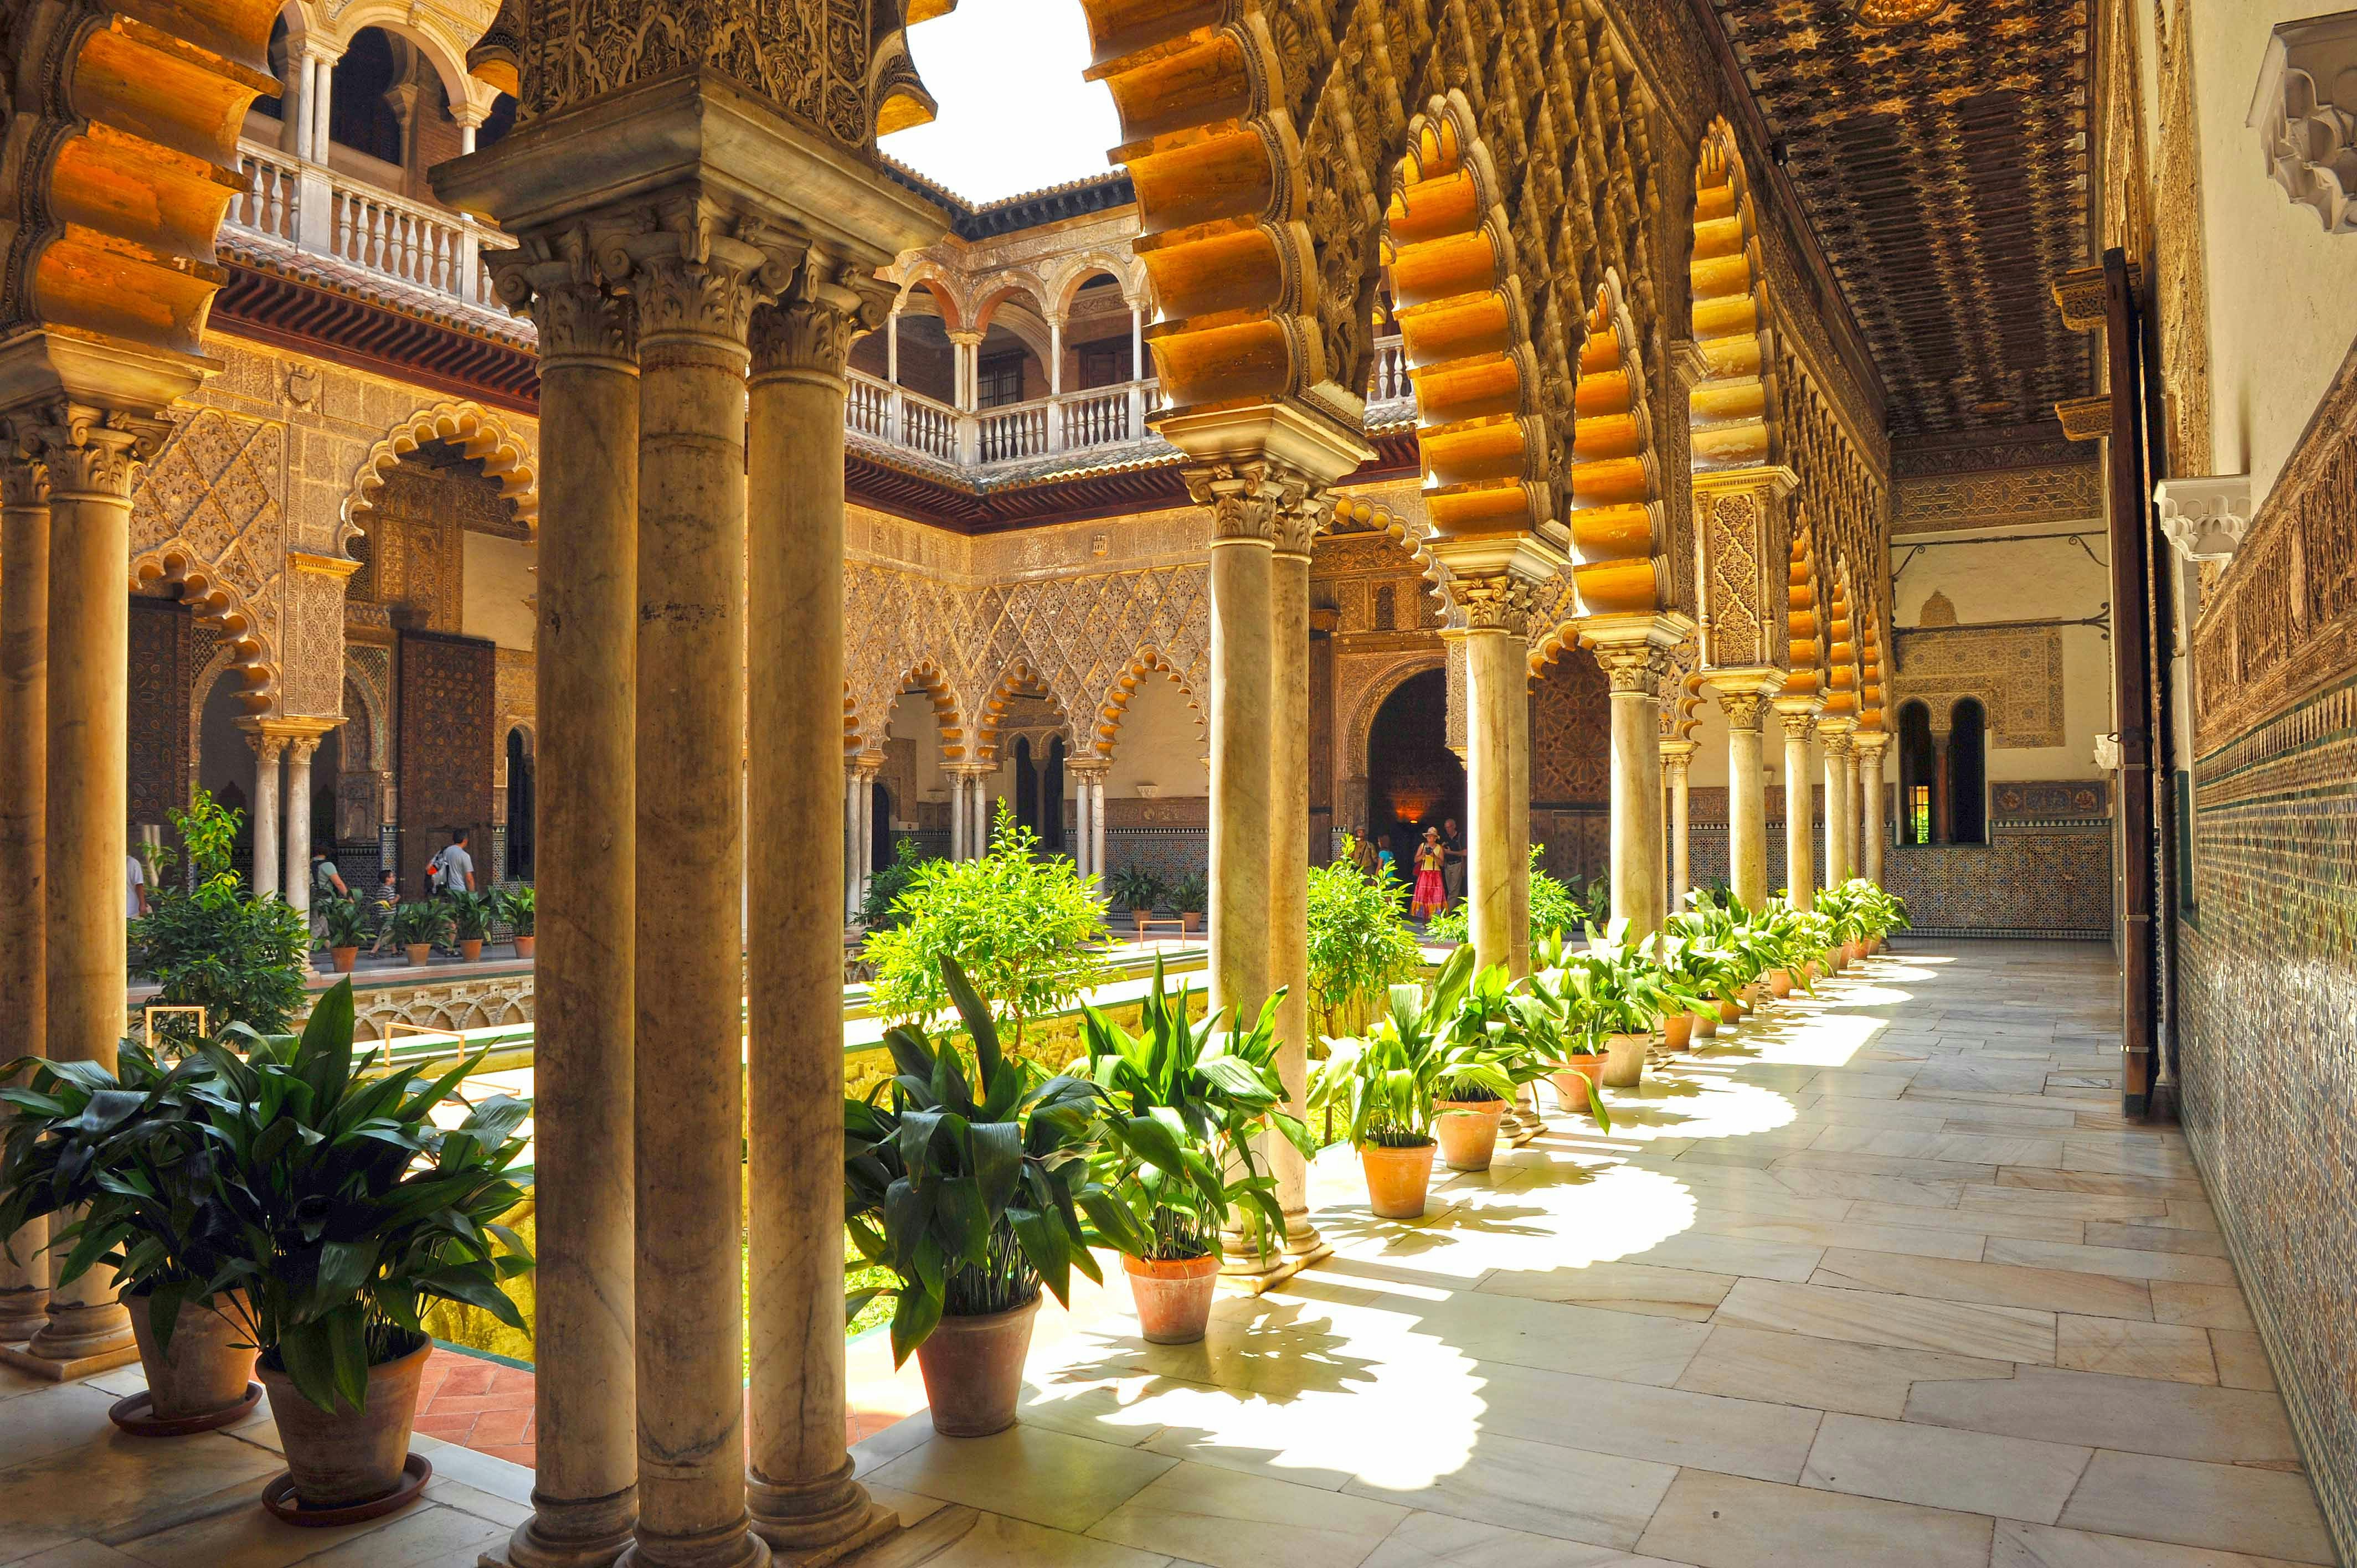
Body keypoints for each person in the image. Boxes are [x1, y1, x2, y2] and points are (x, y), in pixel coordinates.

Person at [310, 848, 348, 948]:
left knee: (324, 930)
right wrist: (349, 897)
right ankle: (303, 955)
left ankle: (333, 953)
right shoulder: (327, 865)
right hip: (323, 901)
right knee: (316, 928)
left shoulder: (308, 863)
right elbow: (338, 883)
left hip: (311, 898)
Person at [1409, 826, 1448, 923]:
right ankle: (1424, 921)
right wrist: (1423, 855)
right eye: (1428, 837)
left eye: (1432, 837)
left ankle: (1434, 920)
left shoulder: (1439, 848)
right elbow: (1415, 860)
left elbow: (1442, 863)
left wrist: (1434, 856)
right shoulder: (1423, 846)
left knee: (1436, 896)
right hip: (1424, 873)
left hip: (1436, 873)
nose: (1430, 838)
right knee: (1424, 897)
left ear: (1435, 838)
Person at [1440, 817, 1466, 909]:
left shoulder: (1461, 837)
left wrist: (1450, 852)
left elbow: (1465, 853)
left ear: (1454, 826)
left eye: (1450, 827)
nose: (1448, 829)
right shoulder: (1446, 838)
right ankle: (1460, 912)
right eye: (1446, 827)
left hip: (1458, 865)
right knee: (1453, 890)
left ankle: (1447, 914)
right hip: (1448, 866)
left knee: (1453, 891)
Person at [126, 852, 150, 920]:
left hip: (129, 908)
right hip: (130, 908)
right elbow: (139, 885)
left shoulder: (132, 863)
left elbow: (139, 885)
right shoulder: (134, 863)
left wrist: (142, 905)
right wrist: (143, 905)